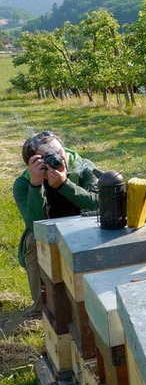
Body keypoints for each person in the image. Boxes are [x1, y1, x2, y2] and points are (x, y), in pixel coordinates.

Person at [13, 131, 99, 315]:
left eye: (60, 153)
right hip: (47, 232)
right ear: (33, 163)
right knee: (32, 241)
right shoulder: (23, 183)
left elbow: (98, 205)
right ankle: (41, 305)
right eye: (49, 158)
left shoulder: (82, 169)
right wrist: (36, 186)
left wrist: (64, 185)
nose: (59, 160)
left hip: (83, 226)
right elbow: (35, 224)